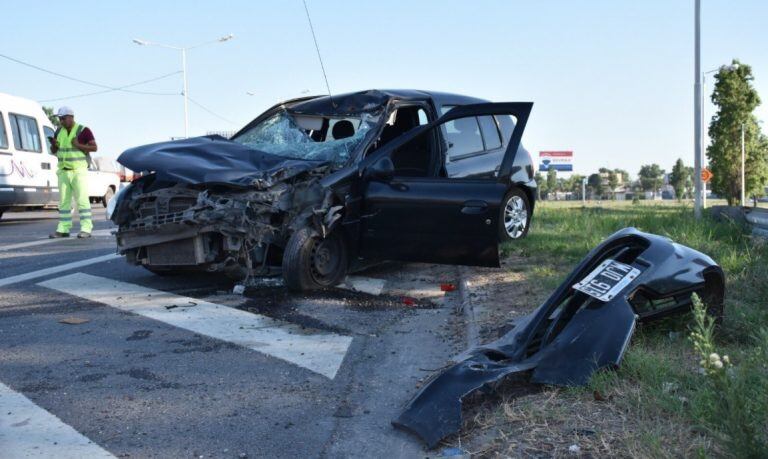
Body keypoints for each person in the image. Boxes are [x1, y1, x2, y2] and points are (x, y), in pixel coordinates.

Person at [48, 106, 97, 238]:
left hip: (78, 171)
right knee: (64, 202)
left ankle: (86, 229)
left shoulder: (83, 131)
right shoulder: (59, 131)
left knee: (82, 200)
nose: (61, 121)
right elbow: (54, 151)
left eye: (63, 118)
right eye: (59, 119)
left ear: (70, 117)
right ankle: (63, 229)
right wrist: (54, 145)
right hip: (63, 171)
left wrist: (79, 145)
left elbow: (94, 147)